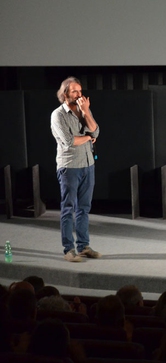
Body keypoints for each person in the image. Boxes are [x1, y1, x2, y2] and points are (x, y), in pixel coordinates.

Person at [50, 77, 101, 263]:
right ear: (65, 94)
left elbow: (95, 131)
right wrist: (87, 138)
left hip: (88, 165)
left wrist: (86, 112)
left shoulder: (83, 110)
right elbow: (69, 142)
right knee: (68, 208)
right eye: (75, 92)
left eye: (80, 91)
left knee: (84, 208)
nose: (79, 95)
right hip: (69, 167)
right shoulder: (58, 115)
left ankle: (83, 246)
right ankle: (68, 249)